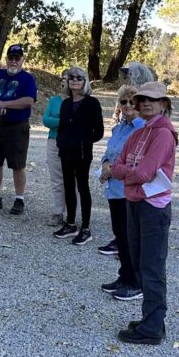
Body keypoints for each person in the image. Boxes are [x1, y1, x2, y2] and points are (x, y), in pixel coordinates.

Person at [109, 81, 178, 346]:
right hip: (135, 202)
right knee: (140, 262)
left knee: (151, 266)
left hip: (153, 207)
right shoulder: (139, 132)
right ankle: (150, 319)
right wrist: (128, 174)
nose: (146, 103)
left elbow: (144, 172)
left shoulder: (162, 133)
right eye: (142, 99)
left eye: (153, 99)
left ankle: (153, 326)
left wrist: (126, 174)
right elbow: (117, 165)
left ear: (163, 104)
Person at [0, 43, 37, 215]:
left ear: (22, 61)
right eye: (11, 58)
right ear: (7, 59)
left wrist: (5, 104)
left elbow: (29, 100)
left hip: (17, 127)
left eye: (17, 59)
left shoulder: (27, 79)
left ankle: (19, 199)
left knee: (18, 164)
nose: (13, 61)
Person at [98, 85, 144, 299]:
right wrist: (105, 164)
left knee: (130, 238)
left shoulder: (142, 129)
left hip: (129, 190)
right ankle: (124, 275)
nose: (127, 106)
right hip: (114, 189)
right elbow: (108, 153)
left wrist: (112, 169)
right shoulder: (118, 129)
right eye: (123, 102)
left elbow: (137, 161)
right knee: (120, 235)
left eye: (132, 101)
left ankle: (135, 282)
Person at [53, 66, 105, 245]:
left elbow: (98, 131)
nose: (75, 80)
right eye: (72, 78)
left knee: (83, 188)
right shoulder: (66, 103)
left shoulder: (92, 103)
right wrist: (61, 142)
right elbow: (61, 127)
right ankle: (70, 223)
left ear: (85, 82)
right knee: (68, 187)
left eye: (79, 78)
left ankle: (86, 228)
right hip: (66, 152)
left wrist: (83, 141)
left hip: (82, 153)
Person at [41, 71, 70, 226]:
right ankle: (58, 212)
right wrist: (64, 120)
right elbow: (46, 120)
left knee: (73, 180)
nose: (63, 82)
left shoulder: (78, 101)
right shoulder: (54, 100)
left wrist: (57, 121)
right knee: (57, 179)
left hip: (71, 144)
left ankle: (73, 214)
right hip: (53, 141)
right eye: (62, 79)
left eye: (66, 79)